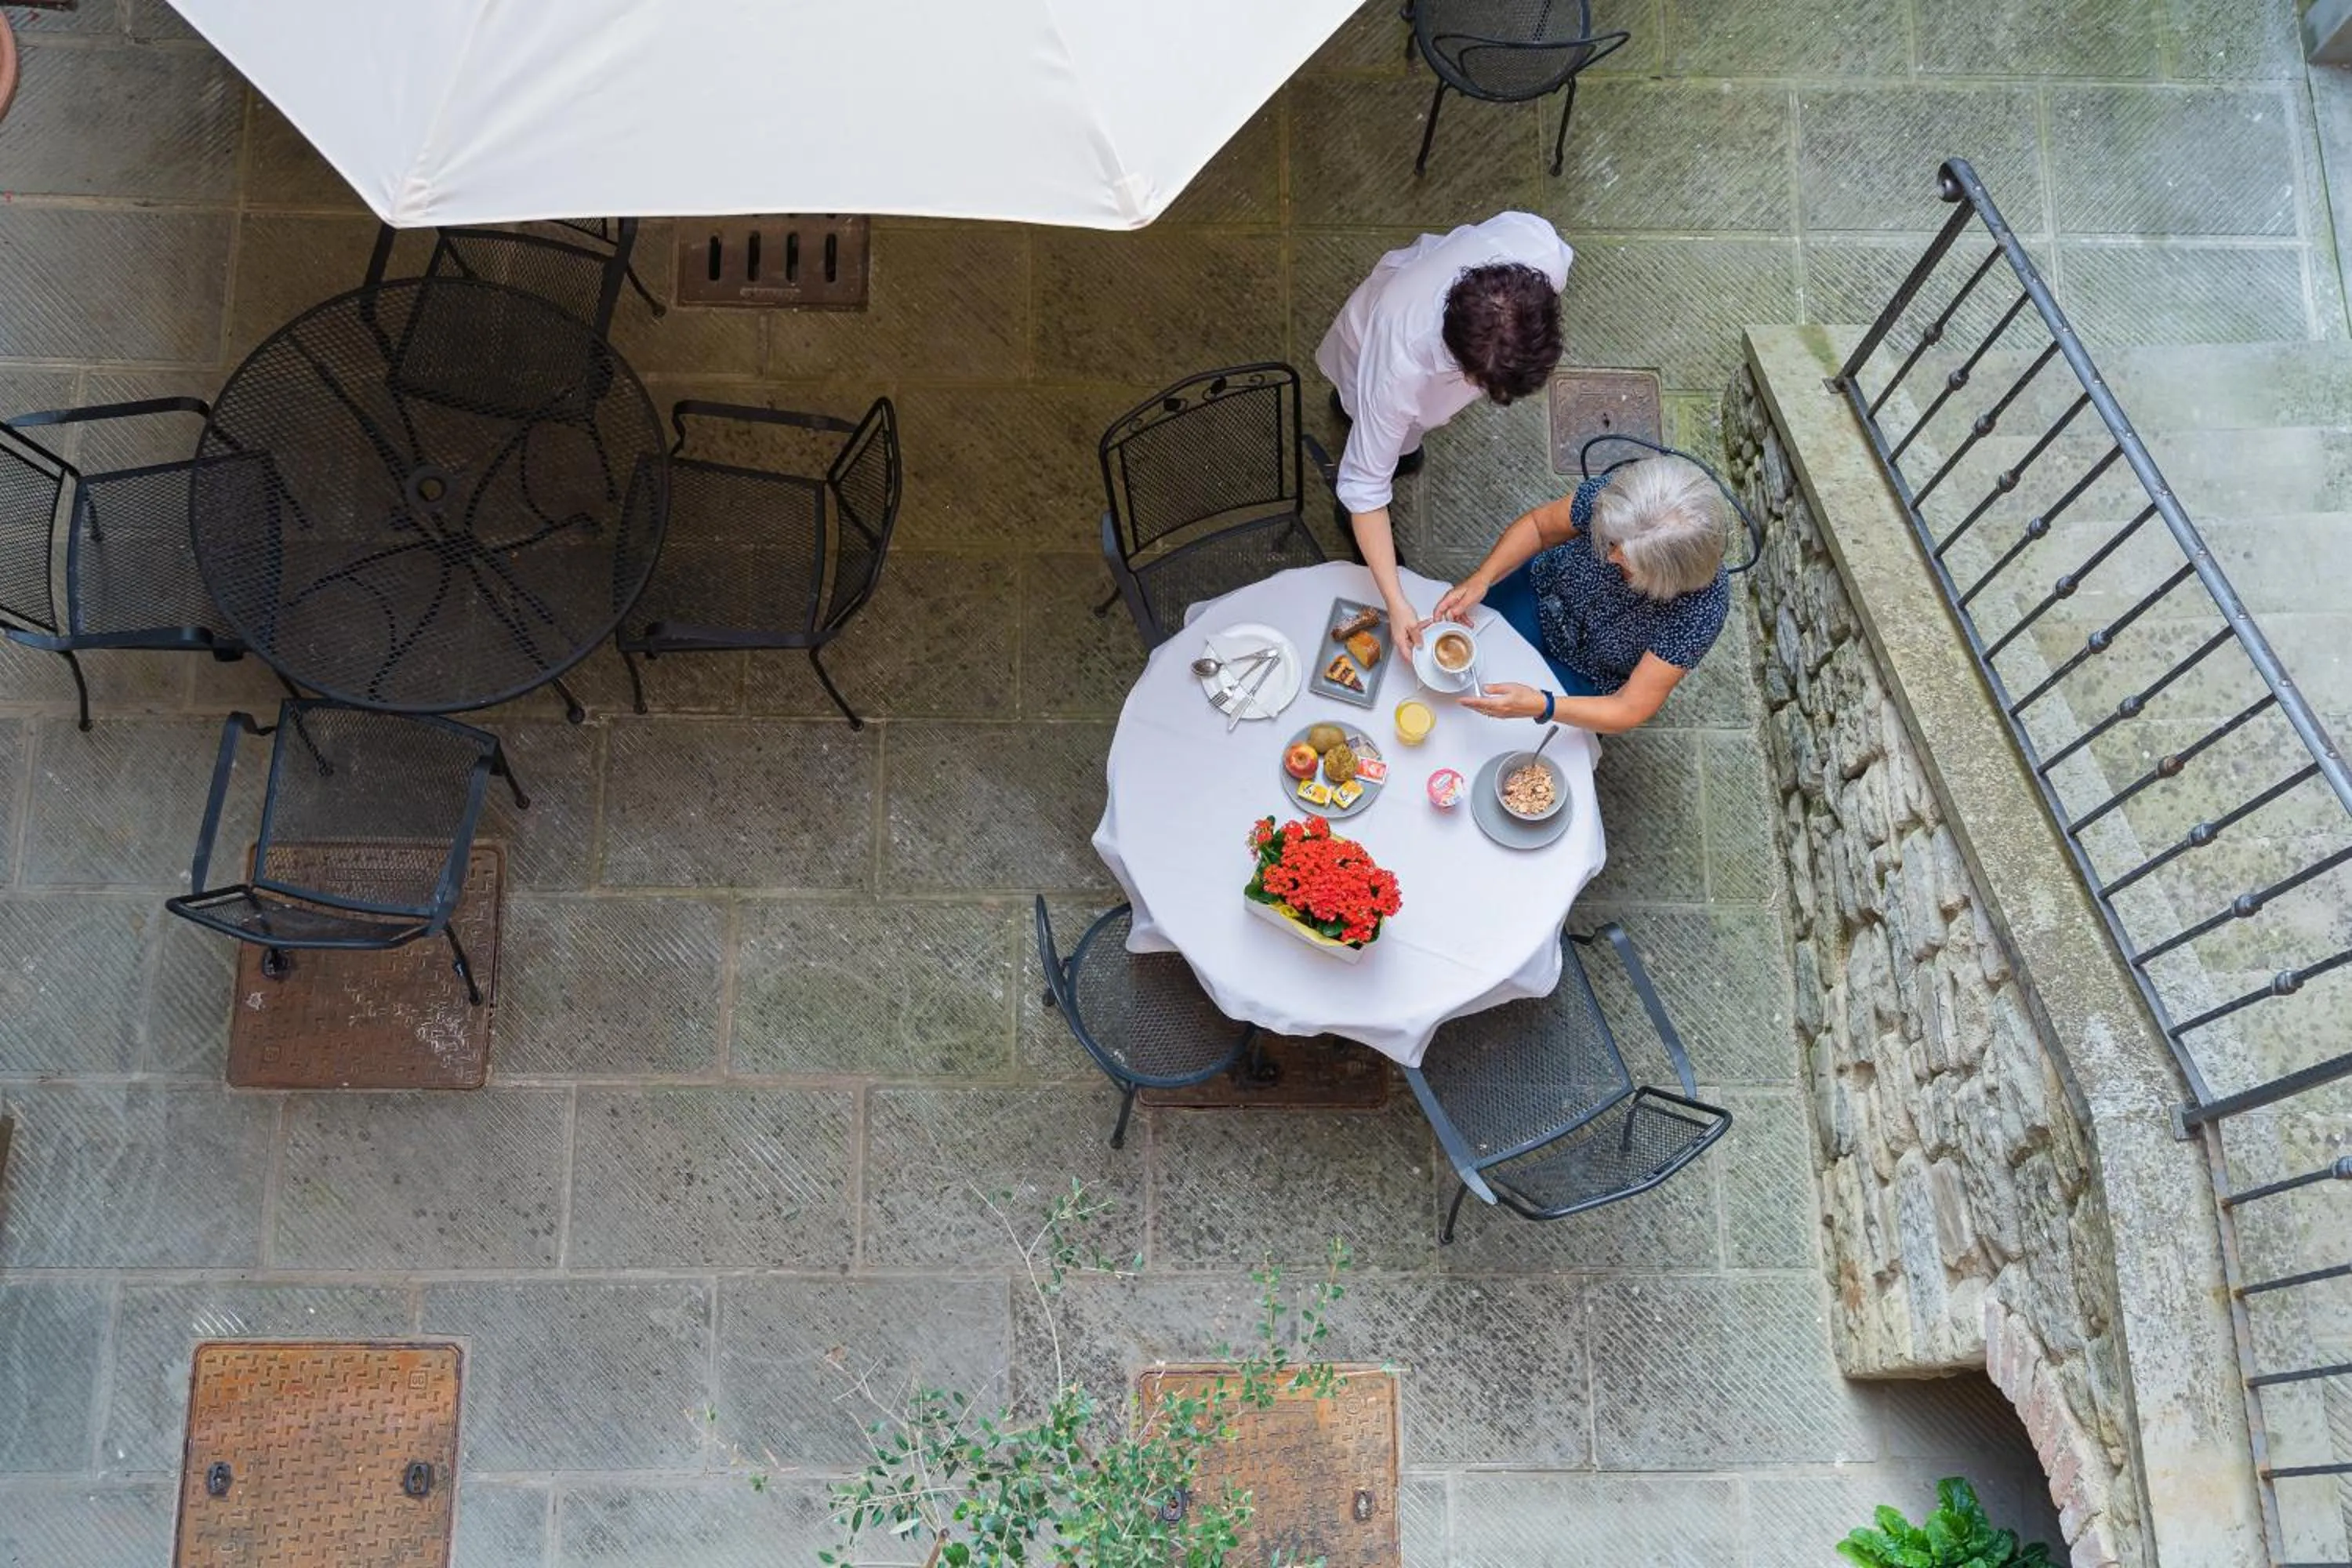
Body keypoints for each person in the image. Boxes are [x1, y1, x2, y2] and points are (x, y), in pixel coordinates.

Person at [1316, 211, 1573, 652]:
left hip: (1418, 365)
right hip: (1376, 347)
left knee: (1404, 440)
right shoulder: (1399, 368)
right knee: (1368, 426)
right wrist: (1397, 603)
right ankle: (1351, 426)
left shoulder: (1541, 250)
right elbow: (1364, 485)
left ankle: (1403, 448)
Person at [1431, 455, 1729, 735]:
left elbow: (1629, 708)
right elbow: (1538, 528)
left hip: (1590, 674)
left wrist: (1544, 705)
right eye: (1611, 542)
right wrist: (1484, 577)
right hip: (1538, 596)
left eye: (1627, 561)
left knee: (1507, 737)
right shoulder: (1623, 501)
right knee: (1446, 674)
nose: (1610, 558)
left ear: (1667, 579)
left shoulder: (1701, 609)